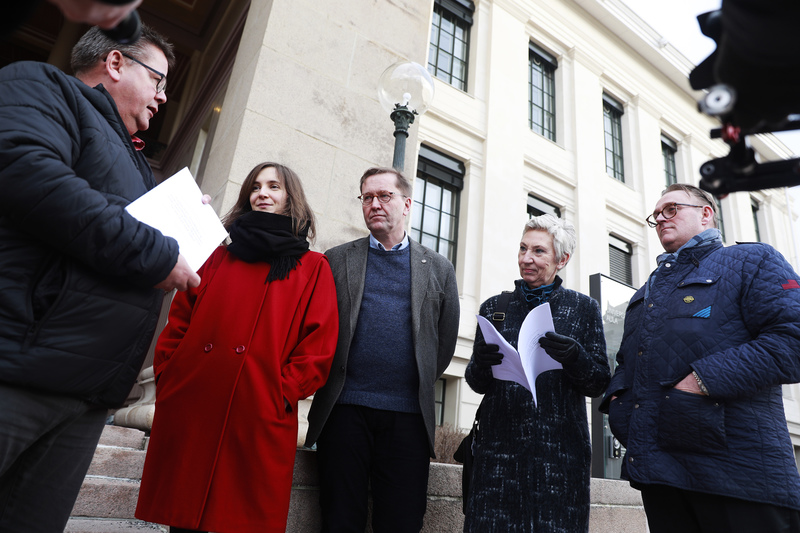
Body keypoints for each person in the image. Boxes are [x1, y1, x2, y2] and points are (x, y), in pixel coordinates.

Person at [0, 24, 198, 533]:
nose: (163, 96)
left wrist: (181, 220)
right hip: (20, 370)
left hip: (88, 396)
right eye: (157, 79)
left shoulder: (136, 162)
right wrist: (160, 252)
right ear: (114, 63)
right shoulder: (39, 85)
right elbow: (29, 174)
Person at [134, 162, 340, 533]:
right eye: (256, 186)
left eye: (274, 187)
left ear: (290, 199)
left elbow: (318, 347)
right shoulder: (215, 256)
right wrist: (169, 373)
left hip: (257, 408)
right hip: (194, 401)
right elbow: (178, 322)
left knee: (240, 520)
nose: (262, 192)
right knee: (184, 519)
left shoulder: (312, 267)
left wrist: (280, 393)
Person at [600, 184, 800, 532]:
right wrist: (618, 402)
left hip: (739, 477)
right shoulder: (646, 291)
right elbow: (628, 362)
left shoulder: (752, 260)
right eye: (656, 215)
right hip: (660, 476)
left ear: (706, 213)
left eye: (672, 209)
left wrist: (701, 381)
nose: (661, 218)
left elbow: (793, 340)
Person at [305, 167, 460, 533]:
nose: (374, 203)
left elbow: (444, 342)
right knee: (340, 519)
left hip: (407, 417)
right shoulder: (336, 260)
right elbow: (319, 329)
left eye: (384, 196)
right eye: (367, 197)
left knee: (402, 521)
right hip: (343, 412)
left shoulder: (438, 268)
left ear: (406, 204)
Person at [463, 215, 610, 532]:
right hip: (497, 457)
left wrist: (575, 357)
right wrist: (481, 363)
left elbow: (598, 382)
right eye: (522, 248)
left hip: (560, 458)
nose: (526, 259)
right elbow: (476, 383)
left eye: (538, 251)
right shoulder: (494, 308)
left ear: (562, 259)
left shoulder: (583, 309)